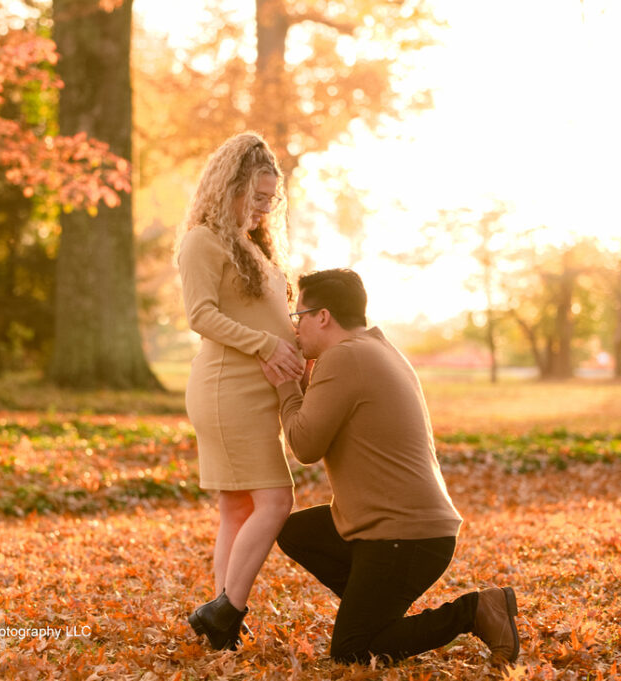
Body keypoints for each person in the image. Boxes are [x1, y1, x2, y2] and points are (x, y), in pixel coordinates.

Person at [258, 268, 520, 665]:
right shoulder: (375, 348)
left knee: (353, 651)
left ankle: (476, 610)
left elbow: (305, 445)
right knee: (297, 532)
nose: (295, 329)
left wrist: (285, 385)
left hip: (404, 536)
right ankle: (376, 614)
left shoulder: (343, 357)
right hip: (402, 528)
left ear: (323, 316)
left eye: (299, 317)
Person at [175, 132, 305, 650]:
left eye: (270, 199)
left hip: (258, 388)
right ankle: (228, 608)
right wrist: (266, 347)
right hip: (228, 389)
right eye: (255, 197)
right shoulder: (202, 240)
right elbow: (200, 315)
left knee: (237, 508)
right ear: (227, 187)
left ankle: (220, 618)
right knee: (275, 499)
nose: (263, 207)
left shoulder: (252, 245)